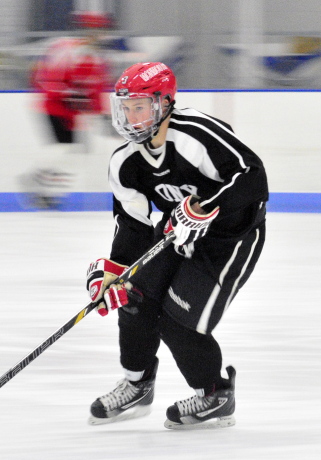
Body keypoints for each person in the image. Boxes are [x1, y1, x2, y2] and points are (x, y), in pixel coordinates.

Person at [85, 61, 268, 430]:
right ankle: (137, 384)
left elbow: (253, 177)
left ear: (164, 103)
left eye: (140, 106)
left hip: (229, 238)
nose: (131, 117)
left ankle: (215, 393)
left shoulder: (195, 135)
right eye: (126, 107)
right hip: (178, 231)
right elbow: (133, 223)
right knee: (133, 293)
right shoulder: (124, 162)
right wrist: (116, 270)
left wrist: (208, 207)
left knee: (178, 318)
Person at [23, 10, 112, 209]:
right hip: (54, 107)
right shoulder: (65, 49)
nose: (99, 35)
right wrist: (66, 96)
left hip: (71, 112)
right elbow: (46, 78)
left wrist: (101, 113)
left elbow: (96, 88)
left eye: (101, 31)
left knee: (75, 152)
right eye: (95, 31)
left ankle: (47, 189)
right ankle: (41, 182)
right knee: (66, 149)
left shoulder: (97, 57)